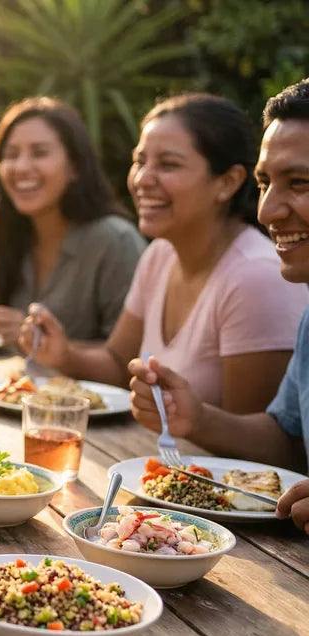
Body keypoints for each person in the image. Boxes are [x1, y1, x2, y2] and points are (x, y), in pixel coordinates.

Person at [22, 93, 307, 415]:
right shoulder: (161, 254)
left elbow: (255, 439)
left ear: (228, 182)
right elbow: (118, 363)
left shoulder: (257, 276)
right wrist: (64, 355)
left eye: (168, 165)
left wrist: (194, 419)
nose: (143, 179)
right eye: (140, 162)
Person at [128, 79, 309, 532]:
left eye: (300, 183)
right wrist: (197, 418)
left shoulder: (256, 273)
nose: (267, 211)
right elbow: (290, 443)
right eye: (265, 183)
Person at [0, 97, 145, 345]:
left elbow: (129, 353)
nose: (21, 167)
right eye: (11, 154)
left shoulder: (115, 241)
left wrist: (38, 341)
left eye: (39, 153)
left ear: (75, 167)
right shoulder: (10, 235)